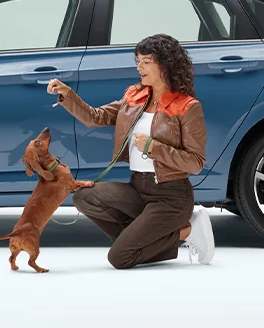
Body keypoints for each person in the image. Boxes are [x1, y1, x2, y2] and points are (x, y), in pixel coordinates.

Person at [46, 33, 215, 268]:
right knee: (84, 196)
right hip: (138, 187)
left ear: (165, 65)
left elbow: (196, 162)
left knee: (120, 257)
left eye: (147, 61)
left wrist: (154, 148)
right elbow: (96, 117)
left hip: (171, 196)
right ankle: (145, 238)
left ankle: (185, 231)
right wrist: (67, 95)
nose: (139, 67)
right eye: (138, 61)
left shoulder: (187, 106)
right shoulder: (134, 97)